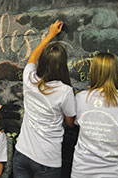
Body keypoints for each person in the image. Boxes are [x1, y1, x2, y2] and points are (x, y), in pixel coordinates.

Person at [13, 20, 76, 178]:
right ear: (62, 65)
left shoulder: (30, 78)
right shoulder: (65, 91)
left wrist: (50, 35)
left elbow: (32, 58)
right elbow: (70, 122)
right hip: (47, 159)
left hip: (22, 153)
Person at [71, 52, 118, 178]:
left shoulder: (80, 98)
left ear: (93, 71)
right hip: (114, 172)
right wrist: (111, 145)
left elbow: (72, 123)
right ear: (115, 71)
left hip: (82, 171)